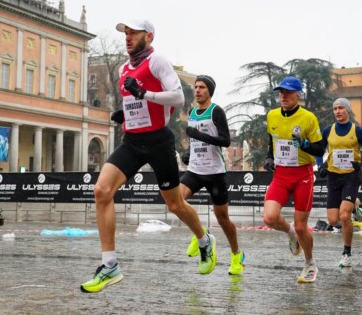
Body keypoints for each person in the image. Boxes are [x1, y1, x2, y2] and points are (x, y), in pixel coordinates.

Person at [81, 19, 216, 293]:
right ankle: (109, 265)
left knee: (175, 205)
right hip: (133, 141)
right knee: (101, 191)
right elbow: (136, 101)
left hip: (158, 141)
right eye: (126, 33)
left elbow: (177, 98)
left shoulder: (157, 61)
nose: (128, 37)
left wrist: (144, 93)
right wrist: (125, 113)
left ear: (149, 36)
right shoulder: (123, 68)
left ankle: (205, 241)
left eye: (134, 33)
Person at [180, 75, 245, 275]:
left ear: (210, 91)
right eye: (196, 87)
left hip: (215, 173)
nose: (197, 90)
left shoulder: (216, 111)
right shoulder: (192, 112)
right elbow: (194, 140)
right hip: (195, 170)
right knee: (176, 201)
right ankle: (202, 235)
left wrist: (199, 135)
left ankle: (237, 255)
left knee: (222, 218)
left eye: (202, 87)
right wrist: (188, 152)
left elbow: (225, 141)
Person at [263, 76, 325, 283]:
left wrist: (305, 144)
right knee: (269, 218)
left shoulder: (308, 118)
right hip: (281, 174)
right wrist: (269, 158)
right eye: (281, 92)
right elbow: (271, 141)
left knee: (301, 226)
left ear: (298, 95)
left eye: (288, 92)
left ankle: (310, 264)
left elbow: (320, 149)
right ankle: (291, 234)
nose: (283, 96)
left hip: (302, 175)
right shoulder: (272, 115)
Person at [317, 98, 362, 268]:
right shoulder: (328, 131)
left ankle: (346, 253)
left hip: (351, 176)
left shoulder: (358, 131)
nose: (338, 111)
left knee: (344, 216)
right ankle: (355, 205)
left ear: (348, 110)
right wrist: (320, 166)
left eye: (341, 108)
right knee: (332, 220)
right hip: (333, 177)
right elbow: (318, 151)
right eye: (335, 108)